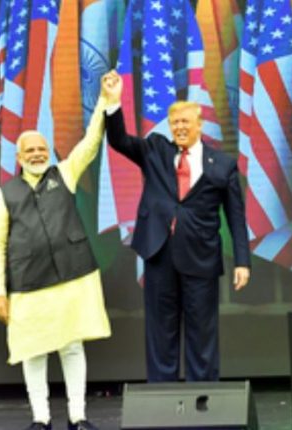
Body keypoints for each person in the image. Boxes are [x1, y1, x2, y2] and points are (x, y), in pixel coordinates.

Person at [101, 70, 251, 382]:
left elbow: (236, 216)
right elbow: (119, 140)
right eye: (174, 123)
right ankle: (161, 395)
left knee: (202, 331)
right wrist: (113, 103)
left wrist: (242, 262)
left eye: (185, 122)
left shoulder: (222, 164)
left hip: (201, 257)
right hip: (159, 254)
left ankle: (203, 397)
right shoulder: (155, 150)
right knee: (160, 330)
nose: (179, 127)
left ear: (200, 125)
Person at [0, 75, 117, 430]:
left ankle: (78, 417)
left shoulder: (65, 173)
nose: (37, 154)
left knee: (72, 348)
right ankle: (40, 420)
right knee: (34, 351)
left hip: (72, 278)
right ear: (19, 157)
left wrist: (105, 102)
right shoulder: (5, 194)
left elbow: (90, 143)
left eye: (41, 149)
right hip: (27, 284)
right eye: (30, 151)